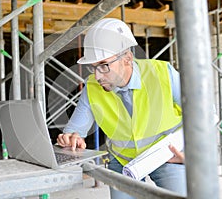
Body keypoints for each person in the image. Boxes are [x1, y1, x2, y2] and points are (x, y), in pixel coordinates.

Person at [57, 18, 186, 198]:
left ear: (127, 59)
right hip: (123, 161)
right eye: (92, 67)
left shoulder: (163, 73)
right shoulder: (92, 86)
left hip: (167, 156)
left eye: (103, 66)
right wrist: (71, 138)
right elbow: (74, 130)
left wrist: (192, 155)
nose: (97, 75)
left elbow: (205, 115)